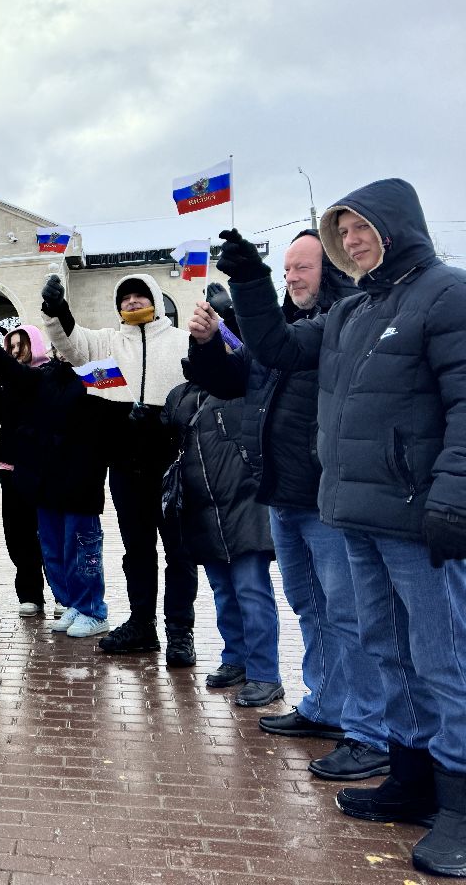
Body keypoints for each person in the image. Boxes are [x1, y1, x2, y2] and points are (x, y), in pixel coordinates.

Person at [218, 178, 466, 877]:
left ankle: (461, 803)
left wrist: (454, 496)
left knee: (446, 660)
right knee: (388, 651)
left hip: (421, 522)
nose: (354, 241)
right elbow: (275, 348)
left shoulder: (447, 294)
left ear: (398, 226)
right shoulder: (356, 310)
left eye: (363, 229)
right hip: (356, 514)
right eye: (344, 233)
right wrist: (249, 279)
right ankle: (413, 779)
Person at [187, 233, 389, 783]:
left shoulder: (344, 319)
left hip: (324, 497)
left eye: (304, 268)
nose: (294, 277)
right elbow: (233, 382)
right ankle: (325, 703)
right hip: (281, 493)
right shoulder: (278, 325)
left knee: (348, 614)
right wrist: (207, 345)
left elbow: (283, 351)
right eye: (288, 269)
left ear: (333, 269)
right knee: (310, 605)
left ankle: (367, 726)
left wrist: (247, 286)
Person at [41, 271, 198, 665]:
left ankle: (181, 632)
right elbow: (70, 342)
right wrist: (55, 308)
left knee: (179, 552)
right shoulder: (106, 343)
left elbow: (224, 364)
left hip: (173, 466)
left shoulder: (182, 341)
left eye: (139, 296)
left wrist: (227, 322)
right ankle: (142, 624)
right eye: (125, 298)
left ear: (156, 300)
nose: (131, 302)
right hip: (127, 465)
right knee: (137, 550)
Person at [0, 330, 111, 638]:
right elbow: (14, 374)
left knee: (82, 547)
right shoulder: (45, 375)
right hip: (47, 477)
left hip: (81, 476)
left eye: (68, 344)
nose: (63, 350)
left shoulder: (98, 372)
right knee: (54, 548)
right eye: (58, 346)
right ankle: (71, 602)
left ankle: (93, 609)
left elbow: (117, 411)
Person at [163, 355, 281, 707]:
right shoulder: (181, 395)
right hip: (203, 509)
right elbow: (167, 432)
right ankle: (236, 659)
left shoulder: (242, 385)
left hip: (244, 504)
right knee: (224, 591)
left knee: (251, 590)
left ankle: (265, 674)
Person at [0, 326, 51, 616]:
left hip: (39, 464)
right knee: (17, 532)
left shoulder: (46, 374)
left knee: (47, 531)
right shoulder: (5, 380)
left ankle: (62, 592)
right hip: (9, 464)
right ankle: (30, 592)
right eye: (11, 346)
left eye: (21, 344)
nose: (16, 350)